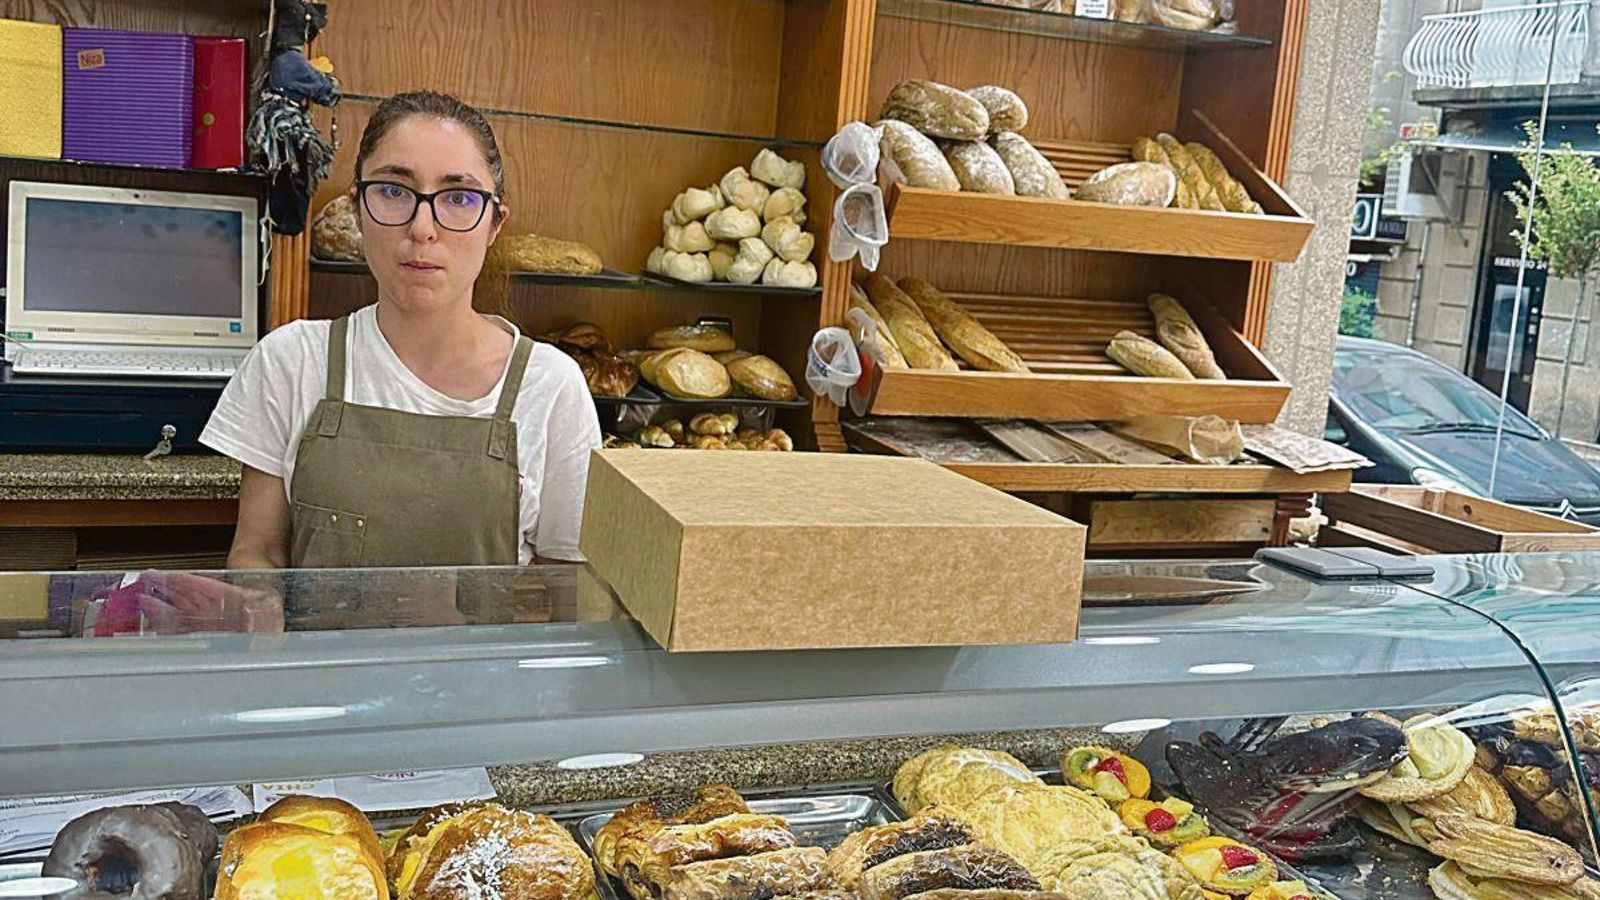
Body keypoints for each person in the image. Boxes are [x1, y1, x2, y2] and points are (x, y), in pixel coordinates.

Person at [203, 90, 601, 569]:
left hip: (482, 650)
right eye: (394, 191)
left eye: (458, 197)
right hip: (317, 647)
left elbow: (569, 588)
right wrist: (260, 619)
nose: (423, 228)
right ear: (358, 209)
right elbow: (258, 553)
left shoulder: (551, 385)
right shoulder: (291, 361)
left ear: (494, 224)